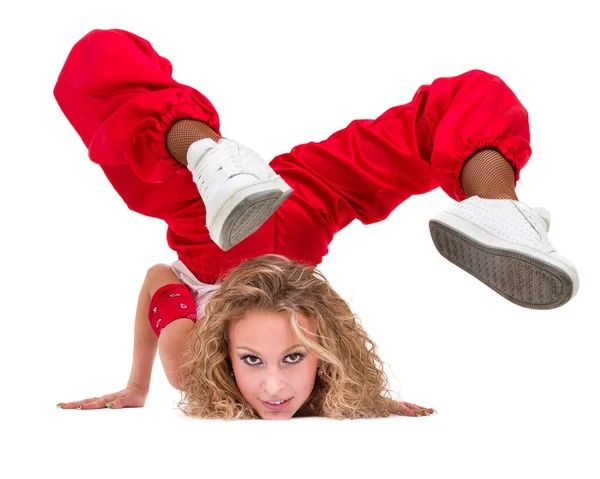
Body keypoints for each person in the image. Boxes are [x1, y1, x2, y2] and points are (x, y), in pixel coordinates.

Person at [53, 29, 578, 420]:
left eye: (260, 358)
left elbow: (157, 278)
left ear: (222, 349)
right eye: (268, 358)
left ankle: (206, 155)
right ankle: (497, 201)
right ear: (326, 348)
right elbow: (322, 328)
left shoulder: (189, 363)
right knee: (463, 100)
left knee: (102, 61)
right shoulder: (322, 358)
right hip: (305, 217)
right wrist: (361, 396)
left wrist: (138, 385)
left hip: (213, 236)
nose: (275, 386)